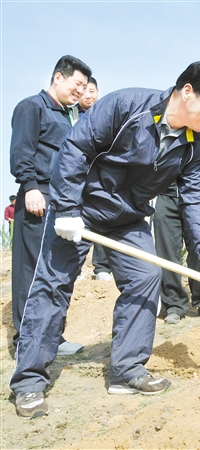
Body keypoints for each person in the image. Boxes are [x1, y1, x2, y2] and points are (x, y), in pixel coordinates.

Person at [10, 61, 200, 420]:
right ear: (187, 92)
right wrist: (66, 207)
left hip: (127, 216)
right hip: (81, 206)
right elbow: (76, 147)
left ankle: (127, 370)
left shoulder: (197, 145)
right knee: (53, 284)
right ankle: (29, 381)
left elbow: (194, 201)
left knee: (146, 277)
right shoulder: (127, 106)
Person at [9, 55, 92, 356]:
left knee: (56, 271)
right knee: (31, 272)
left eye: (84, 88)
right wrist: (30, 186)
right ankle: (25, 342)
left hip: (63, 201)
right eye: (77, 85)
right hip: (37, 198)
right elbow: (22, 151)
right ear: (59, 77)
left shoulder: (70, 116)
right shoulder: (31, 107)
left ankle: (52, 337)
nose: (81, 93)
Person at [153, 124, 200, 323]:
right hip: (165, 197)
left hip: (197, 197)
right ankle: (174, 304)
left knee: (199, 249)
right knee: (167, 253)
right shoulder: (167, 130)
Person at [73, 77, 112, 281]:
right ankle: (75, 268)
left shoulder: (107, 115)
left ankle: (102, 267)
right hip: (78, 176)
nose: (89, 95)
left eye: (93, 90)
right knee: (76, 219)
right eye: (85, 90)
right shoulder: (70, 115)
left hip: (102, 178)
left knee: (103, 219)